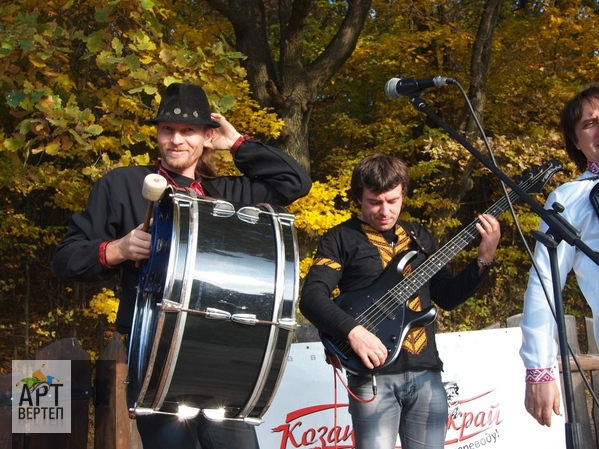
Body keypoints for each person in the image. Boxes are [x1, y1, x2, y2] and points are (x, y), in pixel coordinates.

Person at [53, 82, 312, 448]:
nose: (176, 140)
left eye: (189, 131)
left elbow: (296, 182)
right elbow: (66, 258)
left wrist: (237, 143)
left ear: (208, 136)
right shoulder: (124, 185)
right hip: (156, 349)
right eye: (168, 130)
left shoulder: (230, 193)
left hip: (224, 353)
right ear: (157, 134)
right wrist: (119, 249)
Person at [299, 153, 501, 449]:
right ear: (359, 197)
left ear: (403, 193)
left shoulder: (418, 236)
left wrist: (484, 260)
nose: (385, 211)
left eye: (393, 201)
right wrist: (354, 333)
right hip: (372, 377)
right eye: (374, 202)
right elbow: (312, 298)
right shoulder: (339, 238)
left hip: (427, 371)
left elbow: (446, 297)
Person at [519, 84, 599, 427]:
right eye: (589, 123)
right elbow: (545, 283)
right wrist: (540, 370)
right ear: (576, 142)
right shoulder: (570, 198)